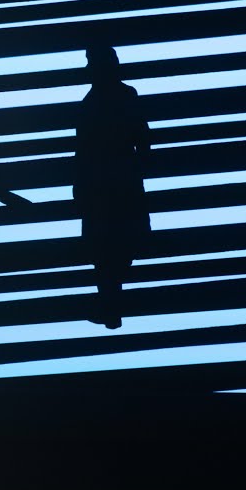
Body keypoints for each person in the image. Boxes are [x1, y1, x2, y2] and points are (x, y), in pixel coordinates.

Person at [73, 44, 152, 329]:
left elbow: (83, 149)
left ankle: (110, 305)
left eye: (91, 62)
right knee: (113, 247)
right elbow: (142, 137)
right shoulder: (116, 96)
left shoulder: (93, 101)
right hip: (117, 181)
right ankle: (111, 304)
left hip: (104, 183)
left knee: (106, 247)